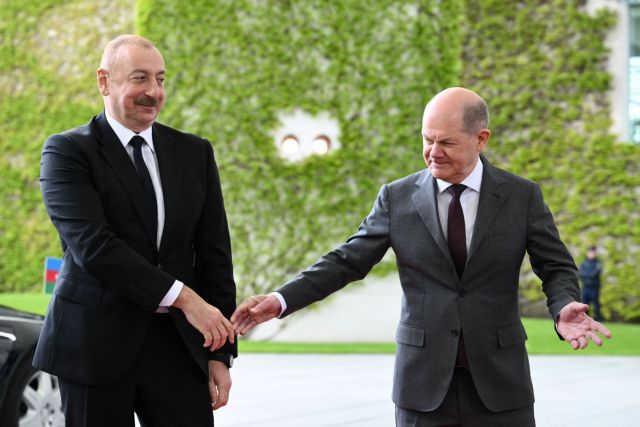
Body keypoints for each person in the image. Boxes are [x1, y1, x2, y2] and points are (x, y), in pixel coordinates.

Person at [231, 87, 612, 426]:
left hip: (501, 386)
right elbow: (347, 261)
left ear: (481, 139)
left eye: (446, 142)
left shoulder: (521, 196)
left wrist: (563, 304)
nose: (433, 152)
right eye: (427, 140)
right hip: (422, 389)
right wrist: (281, 300)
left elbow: (555, 265)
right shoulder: (396, 197)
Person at [34, 35, 237, 426]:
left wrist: (219, 353)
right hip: (93, 346)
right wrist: (186, 299)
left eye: (160, 79)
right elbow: (95, 248)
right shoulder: (66, 152)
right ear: (104, 81)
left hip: (177, 348)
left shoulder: (194, 152)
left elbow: (215, 255)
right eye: (140, 78)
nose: (154, 92)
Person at [579, 245, 604, 321]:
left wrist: (586, 275)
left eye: (593, 252)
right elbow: (580, 274)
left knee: (596, 305)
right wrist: (588, 275)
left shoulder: (598, 263)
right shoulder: (584, 263)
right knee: (584, 305)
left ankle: (598, 320)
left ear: (595, 253)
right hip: (585, 287)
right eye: (590, 252)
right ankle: (585, 320)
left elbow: (594, 274)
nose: (591, 254)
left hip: (594, 288)